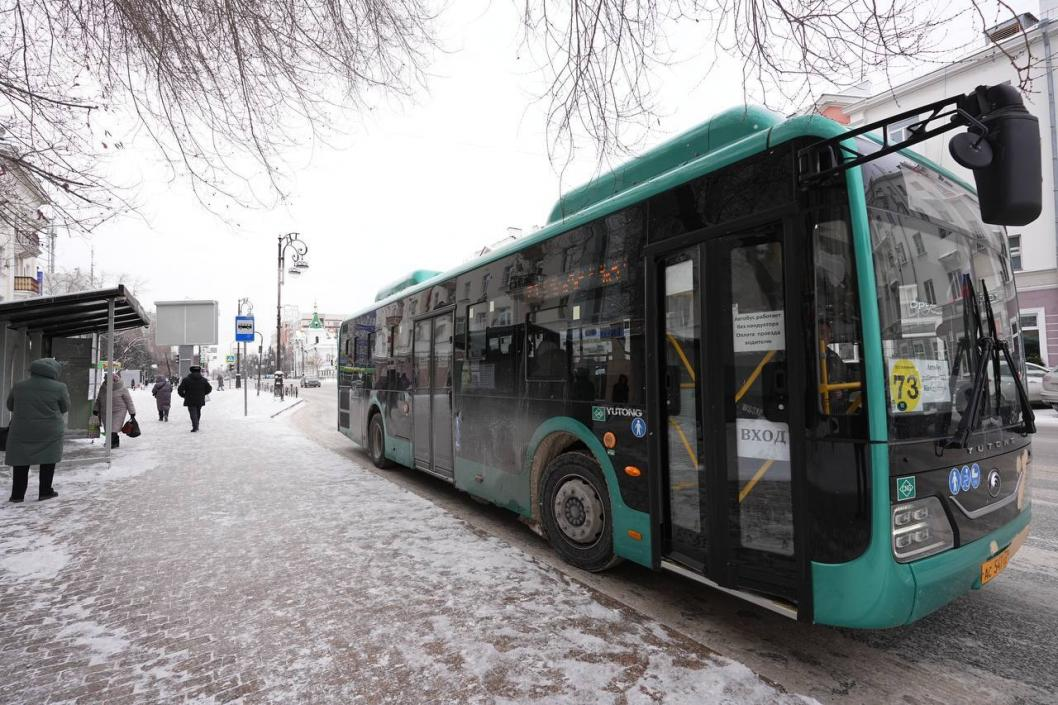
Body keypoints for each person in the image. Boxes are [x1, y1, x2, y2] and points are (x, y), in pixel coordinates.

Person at [6, 358, 70, 503]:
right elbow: (65, 407)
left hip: (22, 429)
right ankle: (45, 491)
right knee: (48, 459)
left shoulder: (19, 386)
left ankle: (17, 495)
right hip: (50, 430)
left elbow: (10, 405)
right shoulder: (60, 387)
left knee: (20, 461)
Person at [93, 372, 136, 448]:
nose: (106, 381)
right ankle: (115, 441)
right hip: (105, 410)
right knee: (108, 428)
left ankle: (111, 443)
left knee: (113, 428)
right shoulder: (103, 387)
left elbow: (128, 400)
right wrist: (96, 409)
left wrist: (132, 412)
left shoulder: (122, 387)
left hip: (119, 411)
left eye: (107, 380)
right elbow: (99, 399)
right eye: (105, 380)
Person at [177, 365, 213, 432]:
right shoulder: (203, 380)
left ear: (191, 371)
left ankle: (195, 426)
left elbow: (180, 390)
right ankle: (196, 424)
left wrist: (184, 396)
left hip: (190, 399)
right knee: (198, 411)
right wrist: (203, 394)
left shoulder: (186, 380)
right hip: (200, 399)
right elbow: (209, 389)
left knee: (192, 412)